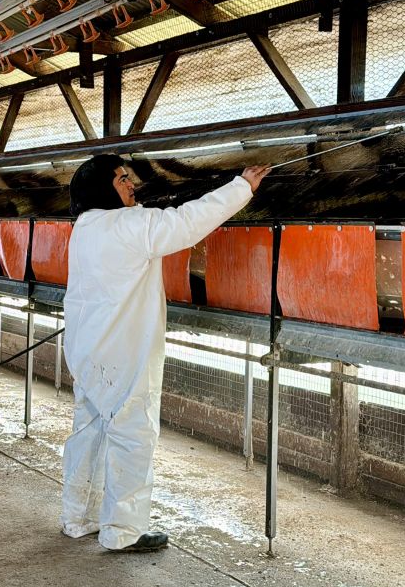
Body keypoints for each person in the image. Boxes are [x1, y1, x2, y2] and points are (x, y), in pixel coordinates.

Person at [60, 154, 270, 551]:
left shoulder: (85, 228)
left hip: (87, 351)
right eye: (122, 179)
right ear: (102, 188)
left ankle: (77, 517)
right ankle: (123, 532)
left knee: (88, 433)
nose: (130, 185)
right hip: (124, 354)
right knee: (132, 436)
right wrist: (242, 186)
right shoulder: (131, 225)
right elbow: (187, 222)